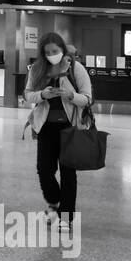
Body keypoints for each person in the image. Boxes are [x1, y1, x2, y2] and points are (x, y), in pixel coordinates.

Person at [24, 32, 94, 233]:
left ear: (62, 49)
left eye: (55, 51)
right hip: (46, 128)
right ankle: (54, 201)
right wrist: (43, 95)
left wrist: (71, 96)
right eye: (47, 52)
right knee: (44, 170)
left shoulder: (76, 69)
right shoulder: (38, 69)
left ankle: (66, 217)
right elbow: (28, 95)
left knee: (68, 173)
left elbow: (88, 99)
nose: (51, 55)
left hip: (70, 128)